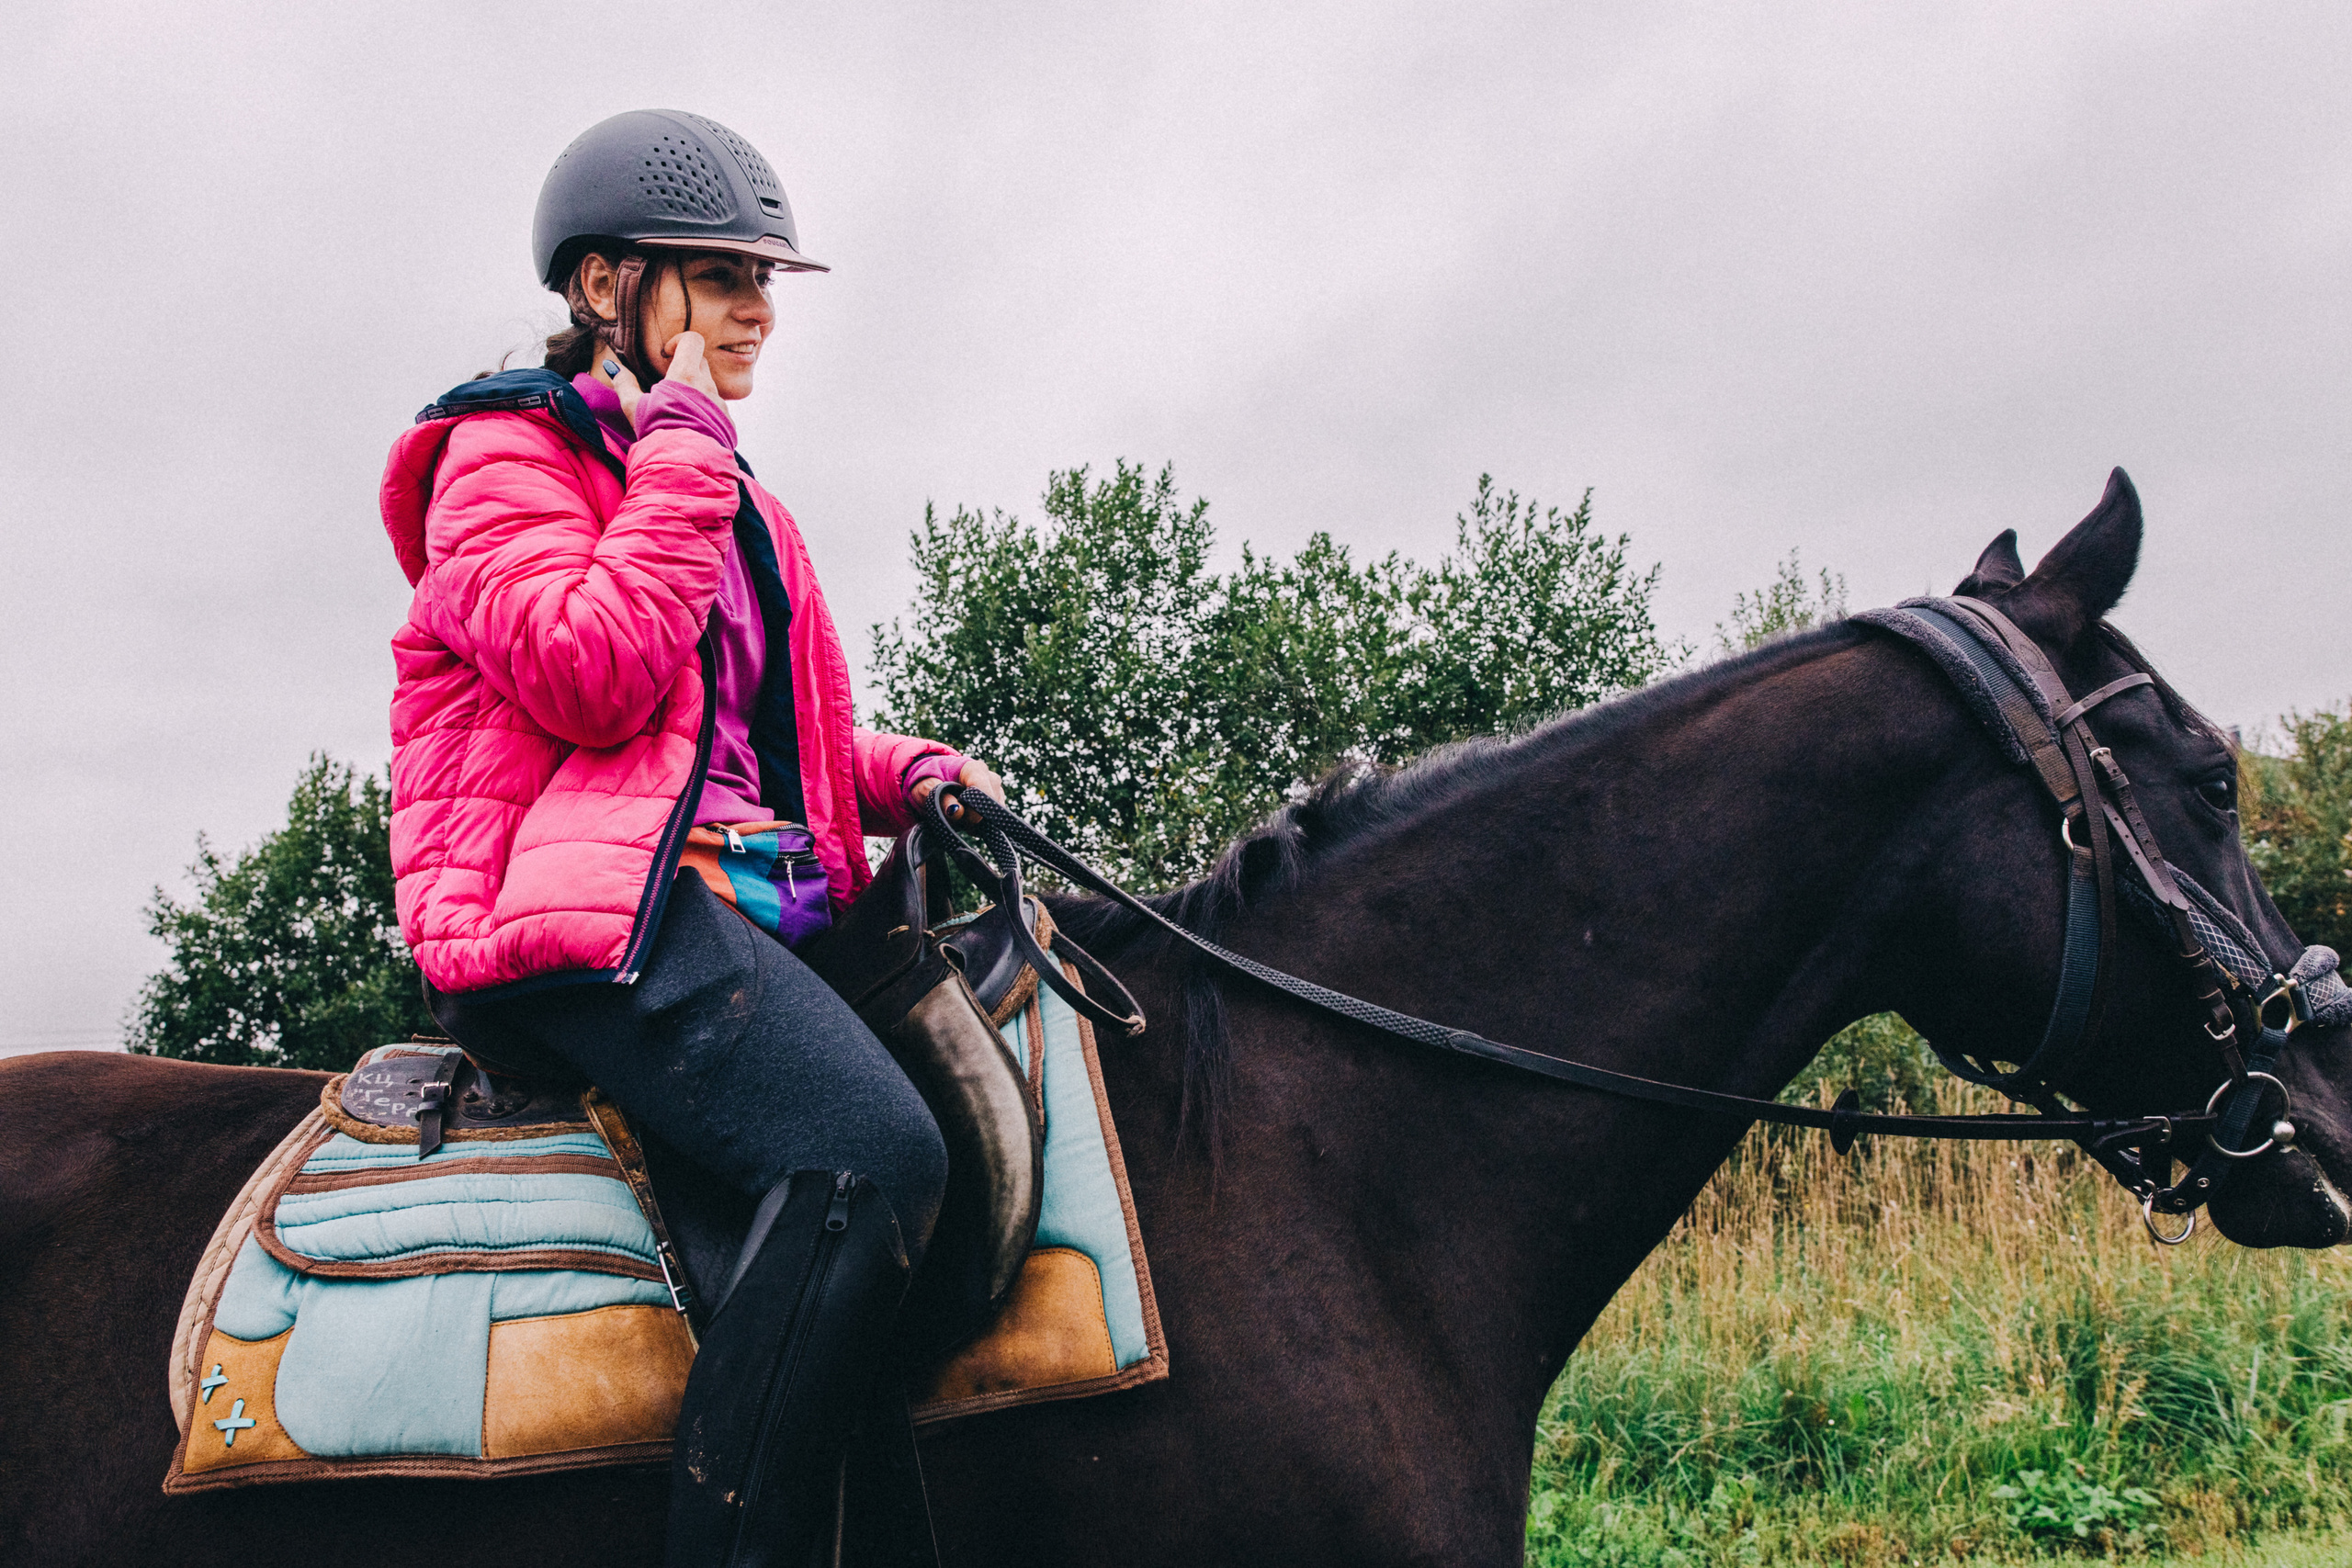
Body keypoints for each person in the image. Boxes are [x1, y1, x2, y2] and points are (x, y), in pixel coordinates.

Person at [378, 108, 994, 1566]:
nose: (761, 310)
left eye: (768, 281)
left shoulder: (718, 492)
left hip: (718, 891)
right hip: (576, 919)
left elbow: (740, 742)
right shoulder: (501, 458)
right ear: (607, 291)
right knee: (868, 1155)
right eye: (723, 275)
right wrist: (684, 457)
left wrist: (904, 771)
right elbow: (593, 680)